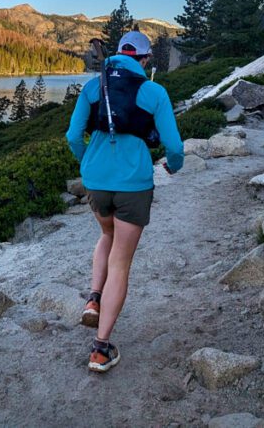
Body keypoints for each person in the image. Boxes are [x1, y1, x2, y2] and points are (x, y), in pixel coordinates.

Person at [65, 30, 184, 373]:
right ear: (145, 60)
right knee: (121, 262)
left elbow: (73, 136)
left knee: (106, 236)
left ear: (118, 55)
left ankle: (93, 298)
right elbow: (174, 148)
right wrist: (173, 167)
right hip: (133, 184)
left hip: (96, 181)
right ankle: (100, 349)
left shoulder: (93, 86)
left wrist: (88, 160)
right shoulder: (153, 91)